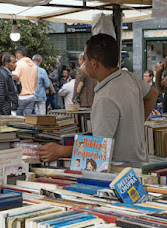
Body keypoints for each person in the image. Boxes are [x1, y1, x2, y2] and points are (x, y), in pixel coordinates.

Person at [36, 34, 158, 163]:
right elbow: (152, 94)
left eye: (85, 59)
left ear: (94, 63)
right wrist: (135, 123)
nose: (83, 63)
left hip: (118, 171)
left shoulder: (105, 97)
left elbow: (99, 147)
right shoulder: (128, 77)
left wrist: (60, 151)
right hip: (139, 164)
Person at [13, 46, 38, 116]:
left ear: (18, 54)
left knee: (18, 120)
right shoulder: (34, 66)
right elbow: (36, 82)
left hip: (21, 96)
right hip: (31, 96)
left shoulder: (19, 64)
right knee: (28, 119)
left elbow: (15, 77)